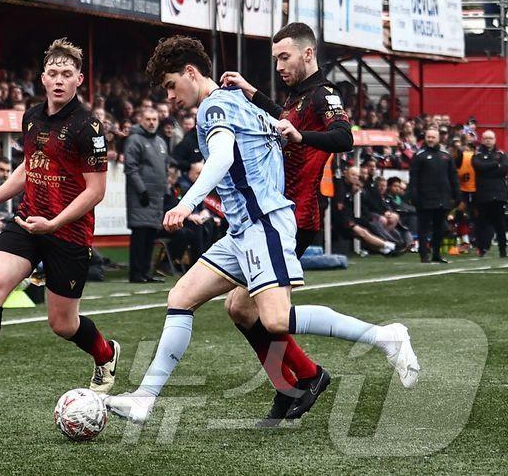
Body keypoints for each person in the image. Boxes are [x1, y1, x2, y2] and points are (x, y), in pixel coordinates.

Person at [105, 36, 418, 425]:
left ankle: (385, 337)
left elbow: (221, 158)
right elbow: (271, 130)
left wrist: (187, 203)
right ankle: (145, 399)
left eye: (171, 85)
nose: (170, 96)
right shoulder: (239, 100)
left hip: (263, 224)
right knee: (183, 296)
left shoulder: (215, 107)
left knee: (276, 320)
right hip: (244, 229)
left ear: (190, 72)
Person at [0, 40, 118, 407]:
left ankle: (105, 354)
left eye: (67, 74)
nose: (59, 80)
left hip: (67, 231)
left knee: (63, 324)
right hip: (26, 220)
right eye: (53, 73)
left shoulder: (89, 127)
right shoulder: (32, 116)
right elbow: (28, 167)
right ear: (42, 78)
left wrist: (54, 223)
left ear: (79, 80)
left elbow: (96, 190)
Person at [219, 21, 353, 423]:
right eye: (275, 58)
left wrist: (300, 138)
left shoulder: (325, 94)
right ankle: (289, 385)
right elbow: (285, 119)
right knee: (240, 309)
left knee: (247, 307)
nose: (279, 65)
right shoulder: (297, 98)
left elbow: (344, 137)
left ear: (307, 54)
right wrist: (251, 92)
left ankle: (308, 377)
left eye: (285, 57)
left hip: (296, 218)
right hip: (272, 218)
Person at [124, 107, 168, 283]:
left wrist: (165, 191)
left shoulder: (161, 142)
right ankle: (136, 273)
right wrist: (141, 190)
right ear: (141, 120)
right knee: (140, 235)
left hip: (157, 197)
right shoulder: (135, 140)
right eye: (148, 119)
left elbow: (164, 169)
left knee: (150, 236)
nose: (152, 122)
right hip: (141, 196)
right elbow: (131, 168)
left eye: (154, 119)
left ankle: (146, 272)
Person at [409, 126, 458, 264]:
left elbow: (453, 176)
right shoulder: (419, 155)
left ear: (438, 139)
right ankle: (424, 255)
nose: (430, 139)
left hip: (442, 198)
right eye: (428, 137)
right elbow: (414, 178)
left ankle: (436, 254)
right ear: (425, 138)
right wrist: (414, 195)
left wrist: (456, 194)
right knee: (423, 228)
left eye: (433, 137)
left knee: (439, 228)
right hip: (425, 198)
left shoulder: (446, 155)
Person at [472, 131, 507, 256]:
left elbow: (504, 169)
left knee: (500, 223)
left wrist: (488, 168)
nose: (488, 140)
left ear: (495, 140)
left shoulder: (501, 154)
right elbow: (478, 167)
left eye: (490, 138)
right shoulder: (477, 154)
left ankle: (503, 249)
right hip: (482, 194)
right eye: (486, 138)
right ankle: (481, 248)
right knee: (482, 222)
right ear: (482, 140)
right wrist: (495, 164)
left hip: (499, 194)